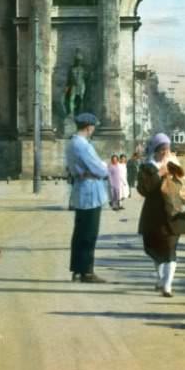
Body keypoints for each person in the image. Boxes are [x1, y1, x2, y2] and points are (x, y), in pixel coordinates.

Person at [137, 137, 185, 297]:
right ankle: (161, 278)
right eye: (162, 149)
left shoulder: (175, 165)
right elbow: (144, 190)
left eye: (167, 149)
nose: (165, 152)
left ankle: (168, 285)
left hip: (174, 214)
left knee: (170, 248)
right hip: (154, 215)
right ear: (155, 150)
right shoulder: (146, 168)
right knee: (155, 248)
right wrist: (158, 174)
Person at [64, 112, 110, 284]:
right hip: (91, 192)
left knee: (79, 233)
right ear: (89, 127)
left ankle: (77, 270)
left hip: (82, 189)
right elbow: (101, 170)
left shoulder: (72, 143)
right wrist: (103, 167)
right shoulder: (83, 145)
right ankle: (86, 272)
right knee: (89, 234)